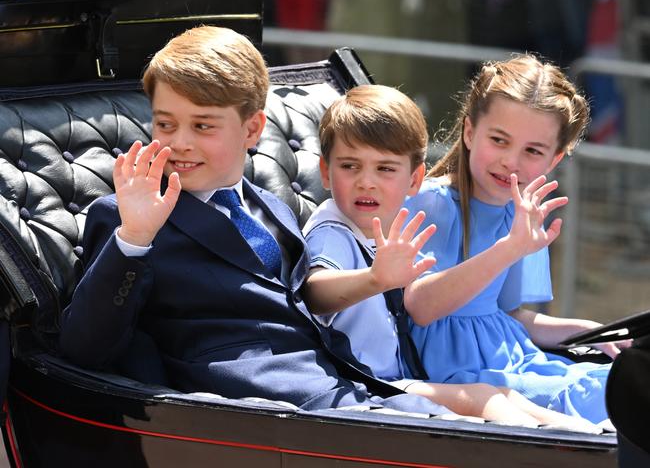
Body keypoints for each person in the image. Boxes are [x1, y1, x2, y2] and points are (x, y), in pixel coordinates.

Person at [57, 25, 456, 415]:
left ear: (252, 129)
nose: (179, 141)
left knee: (484, 427)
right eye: (165, 124)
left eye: (202, 125)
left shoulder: (271, 207)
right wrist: (134, 238)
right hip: (258, 407)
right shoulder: (127, 217)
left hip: (345, 384)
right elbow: (84, 348)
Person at [302, 83, 599, 430]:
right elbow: (314, 291)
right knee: (486, 397)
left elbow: (507, 314)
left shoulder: (382, 227)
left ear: (412, 179)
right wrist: (374, 279)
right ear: (325, 171)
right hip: (370, 382)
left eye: (384, 169)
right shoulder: (335, 228)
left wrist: (590, 332)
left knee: (506, 397)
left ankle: (592, 437)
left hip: (406, 374)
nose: (367, 182)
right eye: (350, 166)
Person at [403, 53, 627, 425]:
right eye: (499, 140)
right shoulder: (433, 203)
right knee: (610, 398)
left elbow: (512, 317)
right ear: (470, 132)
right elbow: (421, 308)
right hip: (465, 377)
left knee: (613, 381)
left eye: (533, 151)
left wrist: (587, 331)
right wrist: (510, 248)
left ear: (554, 160)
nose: (511, 161)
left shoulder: (521, 211)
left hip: (518, 360)